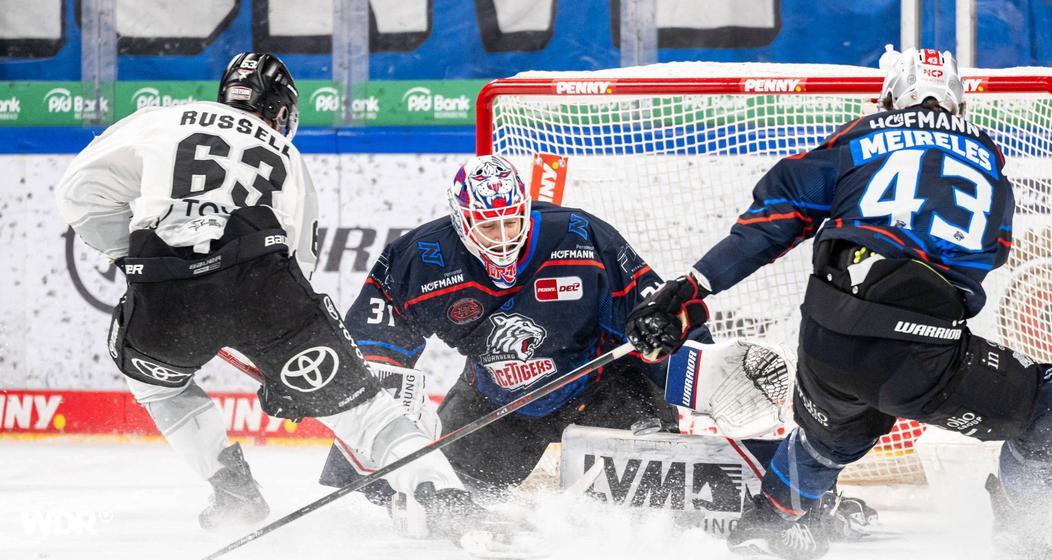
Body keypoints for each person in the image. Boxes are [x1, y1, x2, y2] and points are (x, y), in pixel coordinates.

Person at [625, 47, 1052, 560]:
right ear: (959, 107)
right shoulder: (991, 166)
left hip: (827, 338)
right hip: (920, 352)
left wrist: (691, 286)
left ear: (889, 99)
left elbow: (772, 221)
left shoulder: (859, 140)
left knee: (830, 440)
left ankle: (765, 526)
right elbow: (994, 251)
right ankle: (1025, 531)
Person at [55, 52, 465, 532]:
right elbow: (299, 266)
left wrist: (136, 257)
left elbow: (78, 191)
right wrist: (281, 364)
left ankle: (233, 490)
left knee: (156, 385)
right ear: (281, 109)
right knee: (363, 410)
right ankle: (443, 496)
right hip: (264, 290)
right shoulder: (288, 155)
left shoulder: (159, 120)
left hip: (165, 295)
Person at [318, 154, 696, 499]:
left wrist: (697, 380)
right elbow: (374, 355)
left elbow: (655, 318)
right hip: (497, 401)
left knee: (658, 503)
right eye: (488, 227)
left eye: (511, 221)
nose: (503, 238)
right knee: (434, 499)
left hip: (601, 389)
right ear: (462, 221)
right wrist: (372, 464)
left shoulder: (580, 236)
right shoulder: (420, 259)